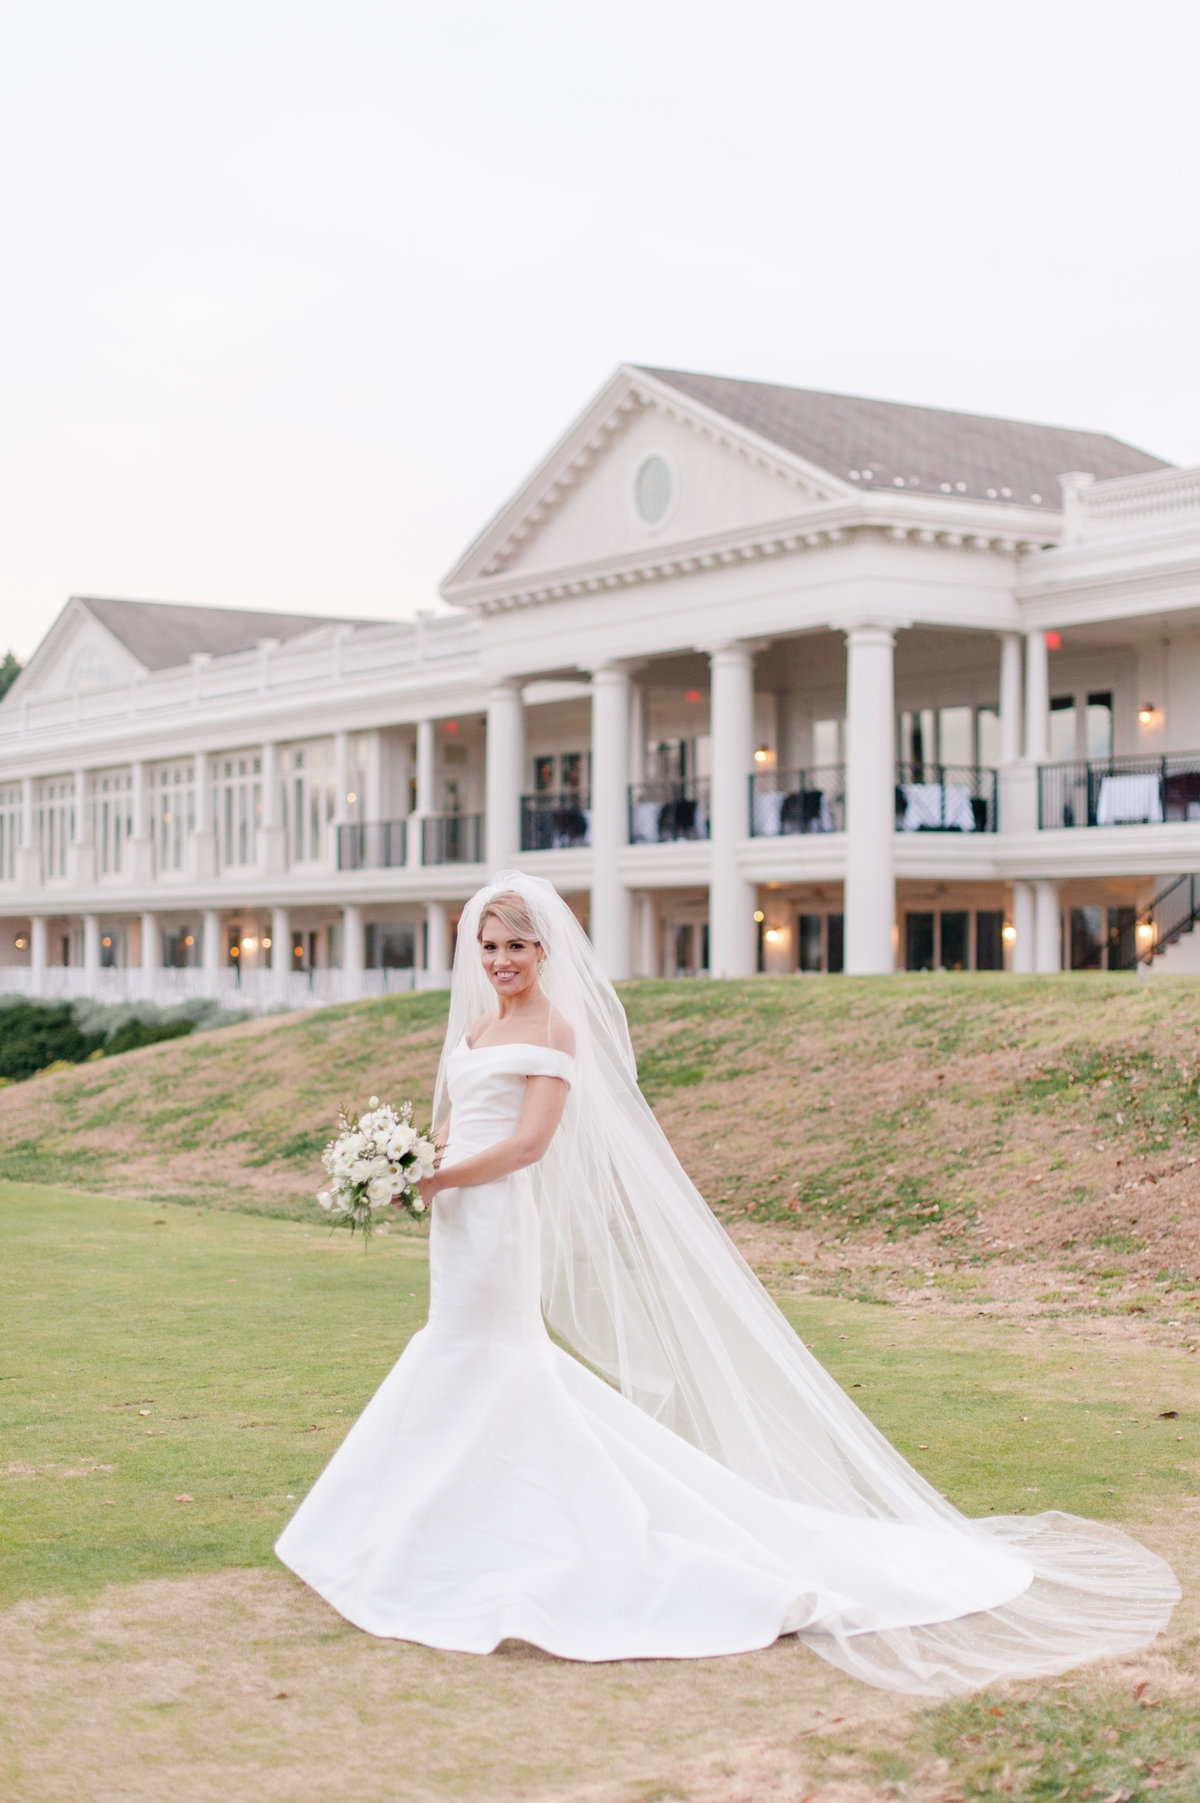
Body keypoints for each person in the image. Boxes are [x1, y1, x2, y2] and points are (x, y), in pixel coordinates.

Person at [276, 872, 1179, 1694]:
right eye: (491, 946)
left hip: (497, 1217)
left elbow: (526, 1146)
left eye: (517, 945)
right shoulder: (475, 1026)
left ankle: (506, 1535)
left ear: (545, 951)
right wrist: (401, 1168)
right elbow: (456, 1125)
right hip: (455, 1225)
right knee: (458, 1354)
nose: (503, 960)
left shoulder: (553, 1027)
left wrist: (442, 1177)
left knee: (494, 1360)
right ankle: (424, 1532)